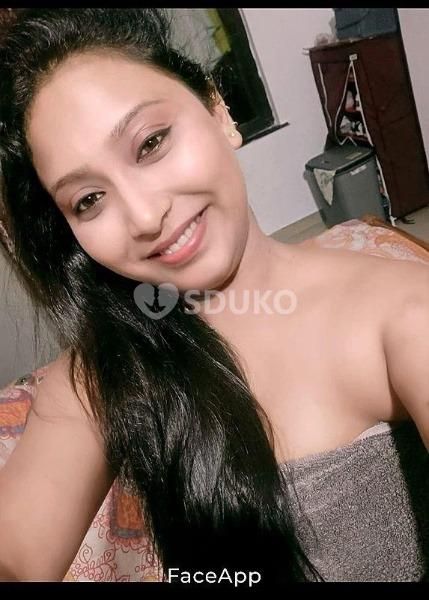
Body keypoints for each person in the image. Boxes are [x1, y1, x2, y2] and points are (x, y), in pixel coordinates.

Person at [0, 8, 427, 584]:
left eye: (151, 143)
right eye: (89, 200)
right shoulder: (103, 372)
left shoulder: (402, 313)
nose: (145, 216)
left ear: (218, 109)